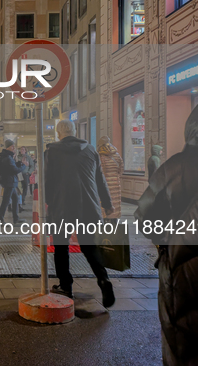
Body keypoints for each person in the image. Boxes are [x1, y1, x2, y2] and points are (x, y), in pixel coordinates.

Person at [135, 93, 198, 365]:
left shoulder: (173, 168)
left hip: (184, 279)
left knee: (185, 346)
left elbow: (145, 218)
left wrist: (169, 242)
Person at [45, 119, 115, 307]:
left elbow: (48, 181)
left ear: (59, 133)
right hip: (89, 207)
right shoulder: (91, 149)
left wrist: (47, 203)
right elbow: (100, 180)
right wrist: (107, 204)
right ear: (75, 131)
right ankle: (103, 279)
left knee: (61, 246)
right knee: (89, 246)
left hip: (63, 207)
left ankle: (66, 286)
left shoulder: (52, 151)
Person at [0, 140, 25, 224]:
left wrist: (19, 163)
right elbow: (14, 170)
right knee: (6, 200)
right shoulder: (8, 158)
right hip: (9, 182)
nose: (14, 148)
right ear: (7, 147)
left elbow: (12, 166)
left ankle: (15, 218)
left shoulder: (8, 157)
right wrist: (23, 166)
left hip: (10, 181)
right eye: (12, 146)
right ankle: (0, 219)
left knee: (14, 199)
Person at [97, 136, 124, 219]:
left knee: (104, 201)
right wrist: (115, 176)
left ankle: (105, 218)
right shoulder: (116, 155)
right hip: (115, 183)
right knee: (115, 202)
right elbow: (121, 169)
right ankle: (114, 219)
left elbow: (98, 172)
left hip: (105, 183)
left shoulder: (100, 156)